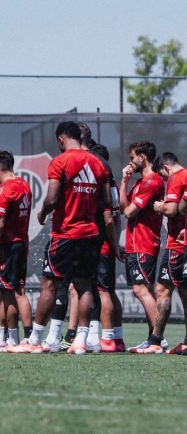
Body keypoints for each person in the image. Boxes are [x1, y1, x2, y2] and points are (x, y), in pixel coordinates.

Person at [28, 121, 116, 355]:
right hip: (90, 233)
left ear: (61, 139)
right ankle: (81, 341)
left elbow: (52, 198)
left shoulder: (61, 161)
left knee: (50, 284)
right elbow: (107, 202)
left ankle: (35, 340)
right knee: (84, 285)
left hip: (65, 232)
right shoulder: (99, 163)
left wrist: (42, 212)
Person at [0, 151, 33, 353]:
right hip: (20, 243)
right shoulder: (24, 185)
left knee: (12, 294)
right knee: (13, 291)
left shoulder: (5, 189)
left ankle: (14, 339)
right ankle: (23, 338)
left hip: (7, 245)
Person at [119, 140, 165, 353]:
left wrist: (128, 205)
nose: (130, 162)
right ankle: (152, 339)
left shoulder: (152, 182)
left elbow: (129, 212)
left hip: (144, 244)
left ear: (142, 157)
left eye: (132, 157)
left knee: (140, 289)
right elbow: (123, 207)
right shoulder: (138, 183)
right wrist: (124, 181)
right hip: (134, 244)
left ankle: (158, 338)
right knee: (144, 289)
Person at [89, 144, 125, 353]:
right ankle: (118, 338)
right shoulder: (114, 185)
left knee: (102, 292)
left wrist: (112, 243)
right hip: (108, 244)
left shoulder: (104, 186)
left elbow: (109, 220)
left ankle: (107, 339)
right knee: (109, 292)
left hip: (102, 245)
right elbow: (116, 221)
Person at [151, 152, 187, 352]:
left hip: (177, 245)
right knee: (177, 291)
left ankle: (155, 342)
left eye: (163, 177)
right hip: (181, 243)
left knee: (168, 290)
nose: (165, 181)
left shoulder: (176, 177)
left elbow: (173, 210)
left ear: (165, 168)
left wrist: (160, 206)